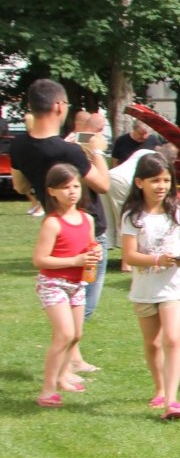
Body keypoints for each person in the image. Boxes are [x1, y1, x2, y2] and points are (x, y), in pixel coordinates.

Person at [11, 79, 111, 352]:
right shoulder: (68, 151)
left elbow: (20, 186)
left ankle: (73, 358)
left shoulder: (19, 146)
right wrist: (97, 151)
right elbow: (102, 184)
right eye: (65, 104)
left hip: (55, 226)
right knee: (83, 301)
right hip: (86, 227)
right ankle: (66, 360)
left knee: (68, 293)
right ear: (57, 106)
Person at [118, 152, 180, 420]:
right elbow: (128, 256)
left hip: (174, 287)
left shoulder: (178, 209)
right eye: (155, 181)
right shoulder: (132, 215)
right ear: (140, 183)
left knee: (172, 339)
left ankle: (173, 401)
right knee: (152, 343)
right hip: (144, 289)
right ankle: (160, 388)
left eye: (166, 180)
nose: (162, 186)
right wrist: (157, 259)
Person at [32, 164, 104, 408]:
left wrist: (95, 253)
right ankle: (47, 389)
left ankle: (63, 377)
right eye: (64, 188)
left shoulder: (86, 218)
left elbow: (90, 245)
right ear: (52, 192)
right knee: (64, 334)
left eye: (75, 186)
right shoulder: (52, 223)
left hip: (77, 283)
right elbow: (40, 260)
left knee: (75, 335)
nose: (72, 192)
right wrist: (75, 260)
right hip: (53, 283)